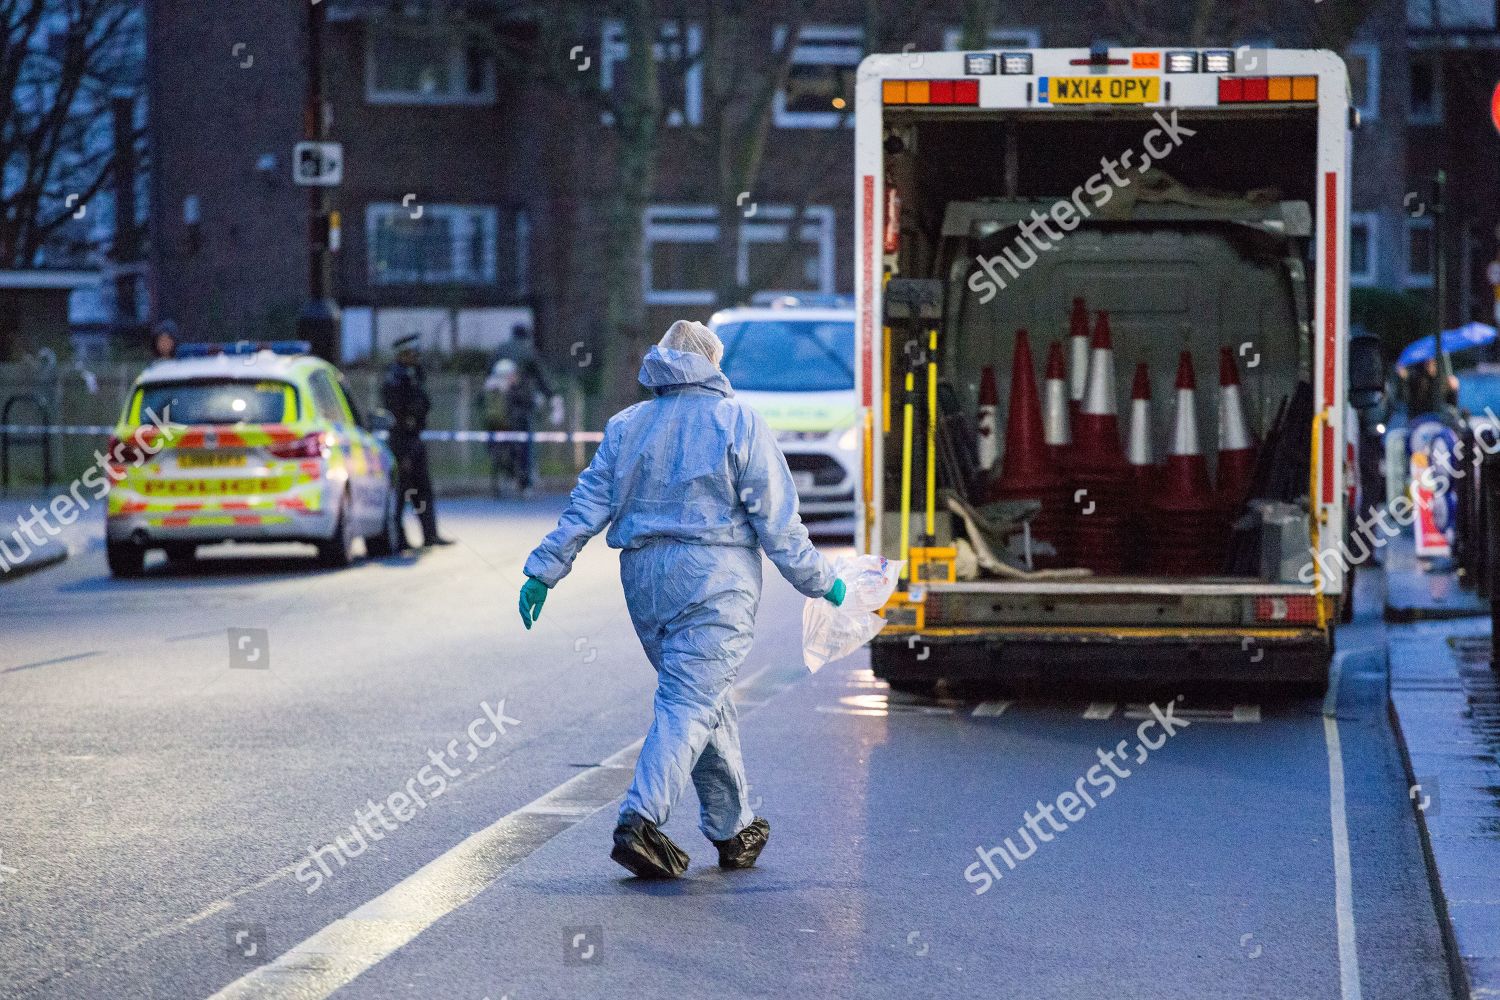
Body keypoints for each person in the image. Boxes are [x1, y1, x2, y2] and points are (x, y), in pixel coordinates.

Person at [517, 320, 847, 879]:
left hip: (646, 583)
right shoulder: (738, 422)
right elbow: (779, 524)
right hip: (715, 582)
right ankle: (641, 817)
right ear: (714, 364)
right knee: (690, 701)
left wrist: (543, 571)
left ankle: (733, 827)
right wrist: (823, 581)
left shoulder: (627, 426)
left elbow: (587, 506)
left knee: (699, 697)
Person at [382, 334, 453, 549]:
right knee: (403, 490)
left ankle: (430, 534)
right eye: (412, 353)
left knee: (422, 489)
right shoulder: (396, 379)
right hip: (402, 441)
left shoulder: (411, 375)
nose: (416, 357)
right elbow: (403, 411)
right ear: (403, 354)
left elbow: (423, 404)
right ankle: (399, 539)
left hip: (414, 439)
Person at [491, 326, 558, 496]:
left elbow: (488, 373)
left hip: (497, 406)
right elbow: (541, 377)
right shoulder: (528, 351)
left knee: (495, 435)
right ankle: (525, 481)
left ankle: (501, 469)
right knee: (526, 442)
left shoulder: (500, 349)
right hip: (520, 404)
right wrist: (552, 395)